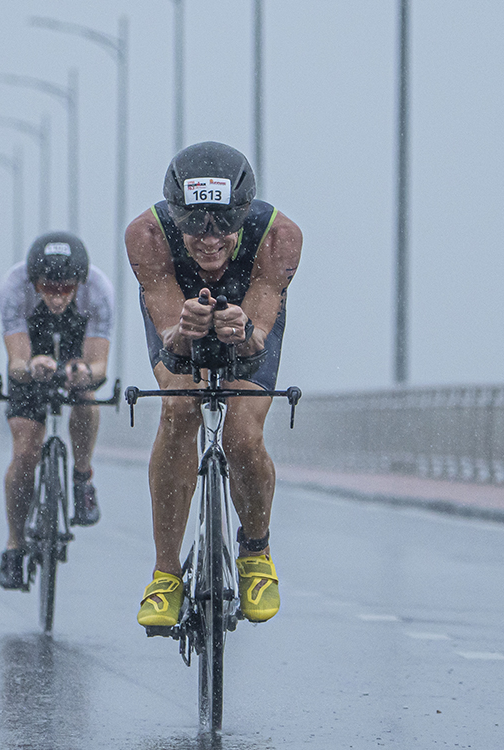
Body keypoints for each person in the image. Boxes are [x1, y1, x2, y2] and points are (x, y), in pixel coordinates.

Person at [125, 142, 302, 626]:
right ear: (174, 214)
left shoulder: (279, 236)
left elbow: (261, 328)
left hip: (249, 323)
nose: (209, 239)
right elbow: (166, 331)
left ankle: (256, 553)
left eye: (224, 224)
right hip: (178, 322)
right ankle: (165, 576)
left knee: (242, 434)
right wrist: (184, 329)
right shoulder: (147, 235)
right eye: (195, 224)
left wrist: (244, 333)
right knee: (180, 409)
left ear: (244, 213)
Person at [0, 230, 114, 590]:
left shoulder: (99, 291)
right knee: (25, 454)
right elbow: (16, 360)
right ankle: (14, 545)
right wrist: (31, 366)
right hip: (33, 353)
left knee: (86, 396)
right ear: (34, 282)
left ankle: (82, 478)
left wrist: (83, 372)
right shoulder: (13, 288)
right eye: (49, 288)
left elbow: (100, 367)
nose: (58, 296)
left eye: (66, 288)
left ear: (80, 282)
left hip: (78, 348)